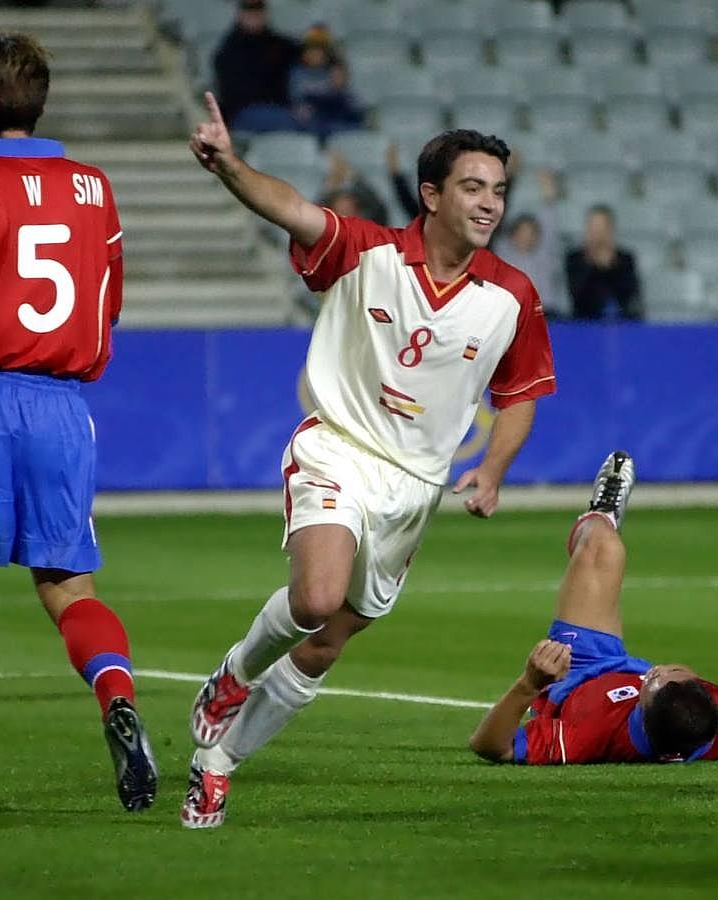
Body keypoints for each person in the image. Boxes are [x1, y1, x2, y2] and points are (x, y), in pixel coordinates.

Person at [181, 94, 556, 828]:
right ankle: (234, 673)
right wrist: (229, 166)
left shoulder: (512, 295)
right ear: (432, 195)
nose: (489, 203)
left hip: (413, 489)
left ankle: (217, 763)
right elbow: (290, 208)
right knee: (315, 598)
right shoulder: (365, 252)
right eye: (473, 187)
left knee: (324, 646)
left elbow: (520, 394)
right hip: (338, 449)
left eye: (498, 189)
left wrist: (493, 471)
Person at [0, 33, 157, 813]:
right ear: (39, 101)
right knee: (70, 585)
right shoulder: (94, 190)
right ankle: (114, 693)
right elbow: (108, 300)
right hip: (61, 405)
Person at [470, 451, 718, 765]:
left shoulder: (592, 736)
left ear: (641, 713)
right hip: (617, 681)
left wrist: (529, 684)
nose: (656, 670)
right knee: (608, 551)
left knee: (603, 545)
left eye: (654, 680)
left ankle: (602, 512)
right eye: (680, 676)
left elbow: (491, 746)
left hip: (576, 669)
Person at [213, 0, 301, 133]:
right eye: (249, 10)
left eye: (258, 10)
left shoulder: (278, 44)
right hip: (244, 112)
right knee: (300, 122)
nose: (254, 15)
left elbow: (309, 54)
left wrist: (333, 61)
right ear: (240, 14)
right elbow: (236, 94)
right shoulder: (229, 50)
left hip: (278, 109)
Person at [493, 168, 564, 319]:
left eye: (531, 233)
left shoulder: (544, 251)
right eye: (522, 232)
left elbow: (549, 221)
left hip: (546, 315)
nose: (527, 237)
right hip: (512, 315)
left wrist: (548, 192)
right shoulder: (503, 252)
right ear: (513, 235)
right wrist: (509, 178)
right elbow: (497, 217)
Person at [565, 204, 643, 321]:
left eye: (602, 227)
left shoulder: (625, 259)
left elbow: (629, 297)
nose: (598, 233)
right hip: (584, 324)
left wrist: (611, 265)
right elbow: (576, 296)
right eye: (594, 227)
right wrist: (590, 263)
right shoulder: (574, 258)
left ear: (611, 229)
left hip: (621, 324)